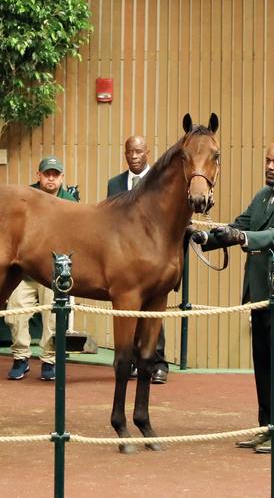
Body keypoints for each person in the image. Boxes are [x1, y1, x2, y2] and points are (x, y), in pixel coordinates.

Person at [194, 139, 274, 455]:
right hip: (261, 294)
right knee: (263, 366)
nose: (270, 166)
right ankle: (267, 429)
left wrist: (243, 237)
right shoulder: (264, 196)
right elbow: (240, 225)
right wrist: (205, 236)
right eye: (268, 160)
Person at [5, 156, 79, 382]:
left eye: (55, 174)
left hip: (54, 273)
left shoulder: (70, 202)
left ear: (62, 178)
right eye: (47, 174)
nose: (51, 178)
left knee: (53, 317)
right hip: (25, 271)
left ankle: (49, 360)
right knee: (14, 313)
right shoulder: (26, 198)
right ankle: (21, 357)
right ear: (39, 175)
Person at [106, 135, 170, 384]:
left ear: (148, 153)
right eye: (129, 152)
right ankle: (129, 361)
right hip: (123, 259)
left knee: (154, 312)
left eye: (138, 152)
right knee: (128, 312)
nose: (133, 156)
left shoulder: (161, 183)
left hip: (152, 259)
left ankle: (159, 362)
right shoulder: (114, 184)